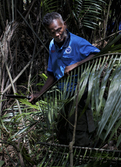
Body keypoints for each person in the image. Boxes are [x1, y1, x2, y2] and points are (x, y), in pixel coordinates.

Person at [30, 12, 100, 146]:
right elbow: (52, 74)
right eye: (53, 32)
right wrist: (40, 94)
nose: (57, 34)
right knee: (62, 131)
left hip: (79, 93)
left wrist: (77, 64)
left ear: (64, 25)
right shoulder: (52, 46)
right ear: (48, 33)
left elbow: (97, 54)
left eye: (59, 29)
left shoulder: (77, 42)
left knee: (79, 130)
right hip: (63, 95)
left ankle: (85, 157)